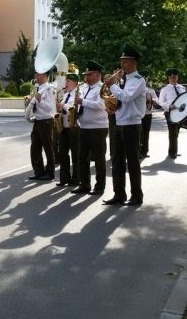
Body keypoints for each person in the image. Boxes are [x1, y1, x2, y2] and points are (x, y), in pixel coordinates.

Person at [103, 44, 147, 206]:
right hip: (119, 123)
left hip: (132, 125)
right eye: (122, 61)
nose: (122, 65)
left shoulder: (138, 80)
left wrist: (112, 85)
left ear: (134, 62)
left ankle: (136, 195)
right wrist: (112, 108)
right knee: (117, 160)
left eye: (125, 61)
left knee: (133, 161)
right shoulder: (124, 80)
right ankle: (119, 194)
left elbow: (127, 97)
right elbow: (121, 101)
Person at [71, 61, 108, 195]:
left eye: (89, 74)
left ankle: (99, 187)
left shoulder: (102, 88)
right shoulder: (85, 88)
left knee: (98, 158)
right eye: (85, 74)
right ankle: (84, 184)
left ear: (97, 75)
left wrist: (83, 102)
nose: (86, 77)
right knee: (82, 158)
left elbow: (101, 105)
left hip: (98, 127)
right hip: (84, 127)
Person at [28, 68, 57, 180]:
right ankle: (38, 171)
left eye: (39, 74)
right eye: (36, 74)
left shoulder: (49, 89)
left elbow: (50, 107)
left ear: (45, 76)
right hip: (38, 120)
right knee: (35, 147)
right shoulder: (38, 88)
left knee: (48, 147)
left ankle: (50, 173)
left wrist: (40, 100)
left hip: (46, 120)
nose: (36, 76)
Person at [55, 72, 80, 186]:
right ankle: (64, 178)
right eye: (66, 81)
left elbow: (74, 108)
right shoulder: (66, 94)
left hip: (73, 126)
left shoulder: (78, 94)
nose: (66, 83)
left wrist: (62, 106)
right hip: (64, 125)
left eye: (68, 81)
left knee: (75, 153)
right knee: (63, 153)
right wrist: (59, 109)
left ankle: (76, 178)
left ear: (75, 83)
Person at [158, 68, 186, 159]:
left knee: (176, 131)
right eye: (171, 78)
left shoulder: (182, 88)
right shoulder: (165, 89)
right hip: (169, 112)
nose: (172, 79)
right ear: (168, 79)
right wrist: (169, 106)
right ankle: (172, 152)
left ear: (177, 77)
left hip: (180, 113)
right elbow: (160, 102)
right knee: (172, 132)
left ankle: (174, 150)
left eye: (174, 77)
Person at [139, 70, 159, 161]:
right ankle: (138, 151)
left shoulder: (150, 90)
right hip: (139, 114)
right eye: (142, 78)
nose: (144, 79)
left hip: (148, 114)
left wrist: (151, 100)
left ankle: (145, 151)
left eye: (145, 78)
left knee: (146, 133)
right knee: (138, 133)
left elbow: (156, 99)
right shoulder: (137, 90)